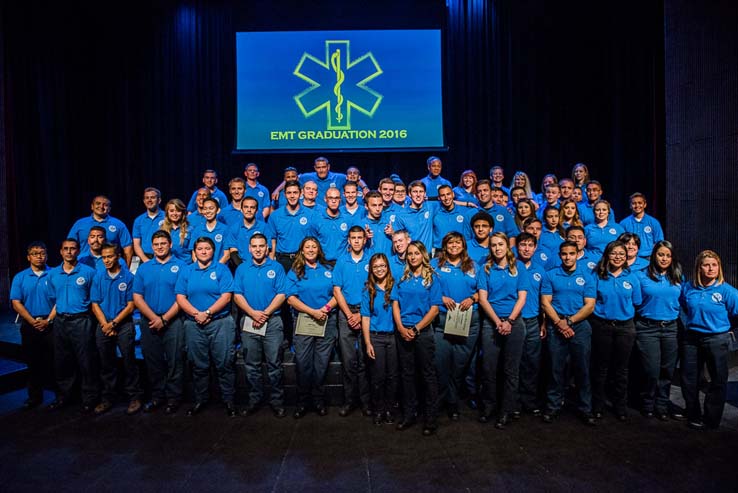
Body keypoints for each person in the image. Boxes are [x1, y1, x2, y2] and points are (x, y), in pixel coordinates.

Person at [175, 236, 237, 417]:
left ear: (213, 251)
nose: (203, 251)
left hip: (219, 323)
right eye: (200, 249)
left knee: (225, 363)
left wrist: (208, 313)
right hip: (193, 324)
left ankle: (229, 401)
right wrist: (197, 314)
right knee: (198, 365)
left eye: (207, 248)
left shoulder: (222, 270)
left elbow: (226, 296)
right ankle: (200, 400)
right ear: (194, 252)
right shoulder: (187, 271)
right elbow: (180, 297)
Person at [679, 250, 738, 429]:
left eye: (714, 265)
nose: (711, 268)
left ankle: (711, 419)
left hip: (716, 339)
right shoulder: (688, 287)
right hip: (692, 338)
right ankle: (693, 414)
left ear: (719, 267)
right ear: (699, 267)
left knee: (718, 379)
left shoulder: (728, 291)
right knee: (689, 379)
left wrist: (727, 329)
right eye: (706, 265)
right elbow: (684, 306)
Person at [540, 241, 596, 425]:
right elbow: (545, 303)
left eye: (571, 253)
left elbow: (589, 305)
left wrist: (569, 322)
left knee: (583, 369)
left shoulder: (587, 276)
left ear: (577, 254)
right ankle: (553, 406)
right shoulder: (550, 275)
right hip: (556, 324)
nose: (567, 257)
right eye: (564, 254)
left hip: (579, 325)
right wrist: (559, 323)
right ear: (559, 254)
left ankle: (585, 408)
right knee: (555, 369)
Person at [233, 233, 288, 418]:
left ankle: (277, 402)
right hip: (249, 320)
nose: (258, 249)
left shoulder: (277, 267)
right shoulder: (241, 269)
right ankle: (254, 400)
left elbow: (282, 293)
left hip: (272, 321)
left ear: (267, 248)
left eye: (261, 246)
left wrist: (265, 313)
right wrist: (253, 313)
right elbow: (237, 295)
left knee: (275, 364)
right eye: (254, 246)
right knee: (251, 364)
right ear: (249, 248)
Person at [477, 232, 528, 429]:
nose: (497, 248)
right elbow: (483, 299)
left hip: (514, 323)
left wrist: (509, 321)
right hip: (492, 323)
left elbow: (522, 298)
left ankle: (506, 410)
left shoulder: (519, 268)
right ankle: (489, 407)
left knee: (511, 371)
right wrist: (498, 321)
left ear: (508, 246)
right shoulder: (486, 269)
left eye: (500, 244)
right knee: (489, 368)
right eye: (493, 245)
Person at [391, 241, 442, 435]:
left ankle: (430, 418)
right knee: (407, 374)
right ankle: (409, 414)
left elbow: (435, 309)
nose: (412, 257)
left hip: (422, 332)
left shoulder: (432, 279)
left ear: (423, 255)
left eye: (416, 253)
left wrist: (416, 329)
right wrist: (401, 328)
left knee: (427, 375)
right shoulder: (401, 278)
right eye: (410, 254)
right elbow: (395, 304)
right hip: (403, 331)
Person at [133, 230, 186, 414]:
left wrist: (165, 319)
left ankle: (173, 398)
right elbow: (137, 297)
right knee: (153, 361)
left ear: (170, 244)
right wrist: (155, 318)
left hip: (173, 321)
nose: (160, 247)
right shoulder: (144, 268)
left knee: (174, 361)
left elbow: (182, 297)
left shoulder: (181, 266)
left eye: (163, 243)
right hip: (149, 322)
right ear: (151, 247)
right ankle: (157, 396)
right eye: (156, 244)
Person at [286, 237, 338, 418]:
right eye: (307, 247)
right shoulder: (295, 271)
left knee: (321, 363)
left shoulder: (329, 270)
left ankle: (318, 400)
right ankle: (302, 401)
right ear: (301, 250)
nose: (310, 249)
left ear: (319, 250)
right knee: (302, 362)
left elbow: (337, 294)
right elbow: (290, 298)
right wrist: (312, 312)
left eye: (314, 247)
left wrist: (324, 309)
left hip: (326, 320)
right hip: (304, 320)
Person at [590, 240, 642, 421]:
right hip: (601, 326)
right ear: (607, 255)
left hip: (625, 328)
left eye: (621, 253)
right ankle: (597, 405)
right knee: (600, 368)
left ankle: (620, 406)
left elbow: (637, 302)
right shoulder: (597, 275)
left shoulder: (632, 277)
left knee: (621, 370)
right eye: (614, 253)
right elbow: (590, 301)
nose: (618, 257)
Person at [46, 238, 99, 412]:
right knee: (62, 362)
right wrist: (49, 320)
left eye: (73, 249)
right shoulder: (53, 274)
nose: (69, 252)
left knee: (86, 361)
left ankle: (89, 398)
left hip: (81, 321)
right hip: (61, 321)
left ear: (78, 251)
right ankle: (64, 397)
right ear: (61, 252)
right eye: (66, 249)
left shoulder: (89, 272)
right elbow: (55, 299)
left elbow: (94, 301)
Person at [431, 232, 480, 422]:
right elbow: (426, 285)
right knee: (441, 364)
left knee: (459, 366)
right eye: (450, 243)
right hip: (442, 321)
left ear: (463, 245)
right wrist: (440, 298)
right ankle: (441, 402)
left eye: (457, 243)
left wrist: (473, 298)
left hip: (467, 321)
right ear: (445, 245)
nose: (454, 246)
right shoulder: (435, 265)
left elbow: (483, 291)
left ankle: (451, 402)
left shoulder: (474, 266)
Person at [90, 243, 142, 415]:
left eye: (110, 256)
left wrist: (114, 323)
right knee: (106, 364)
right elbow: (95, 303)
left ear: (118, 256)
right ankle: (108, 398)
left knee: (129, 362)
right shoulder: (98, 277)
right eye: (104, 257)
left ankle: (134, 397)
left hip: (123, 325)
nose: (107, 260)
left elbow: (131, 305)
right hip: (103, 324)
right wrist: (105, 324)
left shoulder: (128, 277)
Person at [634, 240, 682, 421]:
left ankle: (662, 404)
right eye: (661, 254)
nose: (664, 258)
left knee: (667, 370)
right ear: (654, 255)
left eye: (668, 255)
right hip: (648, 328)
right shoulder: (641, 276)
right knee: (651, 370)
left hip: (671, 328)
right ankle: (647, 403)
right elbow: (635, 302)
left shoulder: (677, 276)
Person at [10, 242, 56, 409]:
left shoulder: (55, 274)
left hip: (51, 324)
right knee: (33, 362)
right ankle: (35, 397)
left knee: (55, 361)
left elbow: (60, 300)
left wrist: (48, 320)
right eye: (35, 253)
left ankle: (60, 397)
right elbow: (16, 302)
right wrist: (31, 321)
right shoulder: (20, 277)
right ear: (28, 257)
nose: (39, 256)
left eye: (42, 253)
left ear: (47, 255)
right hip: (30, 325)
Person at [332, 226, 373, 416]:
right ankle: (349, 401)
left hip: (365, 313)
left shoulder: (372, 259)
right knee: (348, 361)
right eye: (353, 238)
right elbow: (337, 291)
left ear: (365, 240)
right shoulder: (341, 261)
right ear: (348, 240)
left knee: (366, 360)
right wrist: (349, 314)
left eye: (360, 237)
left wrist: (361, 314)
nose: (356, 241)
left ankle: (366, 402)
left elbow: (375, 288)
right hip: (346, 313)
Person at [362, 253, 399, 425]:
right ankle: (378, 410)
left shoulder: (395, 286)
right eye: (376, 266)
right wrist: (368, 342)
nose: (379, 269)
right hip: (376, 338)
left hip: (393, 338)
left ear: (387, 267)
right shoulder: (368, 289)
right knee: (378, 377)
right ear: (371, 269)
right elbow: (366, 318)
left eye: (382, 265)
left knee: (392, 377)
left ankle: (390, 410)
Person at [515, 233, 546, 416]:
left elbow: (544, 300)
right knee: (514, 363)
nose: (526, 248)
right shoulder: (512, 268)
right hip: (515, 321)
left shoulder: (540, 271)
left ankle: (529, 400)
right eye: (523, 245)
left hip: (533, 321)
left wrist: (543, 322)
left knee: (532, 363)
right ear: (517, 247)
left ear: (535, 248)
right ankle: (514, 401)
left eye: (530, 245)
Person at [68, 195, 133, 265]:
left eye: (105, 205)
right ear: (92, 206)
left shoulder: (119, 224)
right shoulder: (80, 224)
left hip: (110, 267)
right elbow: (69, 245)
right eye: (98, 203)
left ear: (109, 208)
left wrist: (125, 270)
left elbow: (128, 249)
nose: (101, 207)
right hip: (83, 265)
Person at [310, 187, 352, 261]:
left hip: (342, 263)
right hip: (322, 263)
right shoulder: (316, 219)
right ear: (325, 199)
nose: (333, 201)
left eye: (336, 198)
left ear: (340, 200)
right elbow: (312, 242)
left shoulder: (348, 219)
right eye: (330, 198)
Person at [225, 196, 269, 266]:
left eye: (252, 207)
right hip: (240, 266)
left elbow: (267, 251)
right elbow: (233, 252)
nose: (249, 210)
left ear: (257, 211)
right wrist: (244, 268)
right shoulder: (234, 228)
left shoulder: (264, 227)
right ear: (241, 210)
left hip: (261, 266)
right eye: (246, 207)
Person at [619, 192, 664, 259]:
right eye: (634, 203)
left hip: (649, 257)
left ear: (645, 204)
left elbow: (659, 241)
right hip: (630, 257)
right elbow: (620, 242)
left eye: (640, 203)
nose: (637, 205)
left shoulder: (654, 222)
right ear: (630, 206)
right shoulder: (624, 223)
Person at [393, 180, 435, 250]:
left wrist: (460, 204)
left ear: (425, 194)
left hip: (427, 256)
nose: (418, 195)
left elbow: (449, 201)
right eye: (415, 192)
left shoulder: (430, 206)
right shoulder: (401, 215)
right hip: (411, 256)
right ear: (409, 194)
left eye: (421, 192)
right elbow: (398, 239)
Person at [187, 197, 230, 265]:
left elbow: (227, 255)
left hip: (219, 270)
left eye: (211, 208)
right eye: (205, 209)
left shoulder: (225, 229)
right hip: (201, 271)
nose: (208, 211)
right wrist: (201, 268)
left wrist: (215, 269)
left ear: (218, 210)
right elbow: (194, 254)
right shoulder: (197, 230)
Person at [432, 185, 473, 252]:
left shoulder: (464, 212)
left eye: (448, 194)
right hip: (440, 251)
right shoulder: (434, 212)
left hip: (460, 250)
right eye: (442, 195)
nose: (446, 198)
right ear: (439, 198)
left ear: (453, 194)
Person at [132, 187, 165, 263]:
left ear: (159, 200)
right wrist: (145, 260)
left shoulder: (167, 217)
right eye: (147, 198)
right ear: (144, 201)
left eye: (153, 197)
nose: (149, 200)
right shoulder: (138, 220)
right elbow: (136, 244)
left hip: (163, 257)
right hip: (144, 258)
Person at [161, 199, 192, 263]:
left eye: (178, 211)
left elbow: (194, 252)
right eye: (172, 211)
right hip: (167, 265)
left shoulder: (190, 229)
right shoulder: (162, 229)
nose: (175, 213)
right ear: (167, 213)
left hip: (185, 266)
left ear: (182, 212)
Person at [362, 190, 393, 256]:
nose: (378, 209)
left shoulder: (389, 223)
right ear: (366, 206)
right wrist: (363, 238)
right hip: (369, 264)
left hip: (388, 264)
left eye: (380, 205)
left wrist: (393, 234)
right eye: (374, 205)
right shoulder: (360, 225)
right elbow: (351, 250)